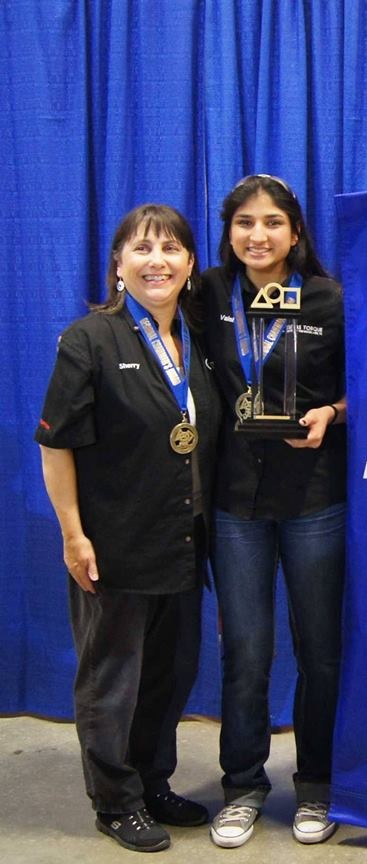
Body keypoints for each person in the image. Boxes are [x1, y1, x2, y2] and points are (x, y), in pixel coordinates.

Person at [36, 204, 220, 852]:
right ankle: (114, 801)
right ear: (119, 266)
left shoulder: (197, 340)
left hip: (183, 542)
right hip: (114, 544)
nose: (157, 261)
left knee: (168, 676)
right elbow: (56, 445)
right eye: (141, 249)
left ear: (190, 265)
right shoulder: (90, 339)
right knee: (112, 680)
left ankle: (151, 781)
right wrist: (72, 534)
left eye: (171, 249)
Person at [201, 174, 347, 848]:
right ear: (229, 233)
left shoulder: (328, 298)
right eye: (244, 224)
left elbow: (363, 387)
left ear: (295, 232)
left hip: (313, 497)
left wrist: (330, 412)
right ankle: (243, 785)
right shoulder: (208, 294)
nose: (258, 236)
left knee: (319, 649)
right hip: (236, 502)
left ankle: (316, 783)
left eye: (272, 223)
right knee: (248, 650)